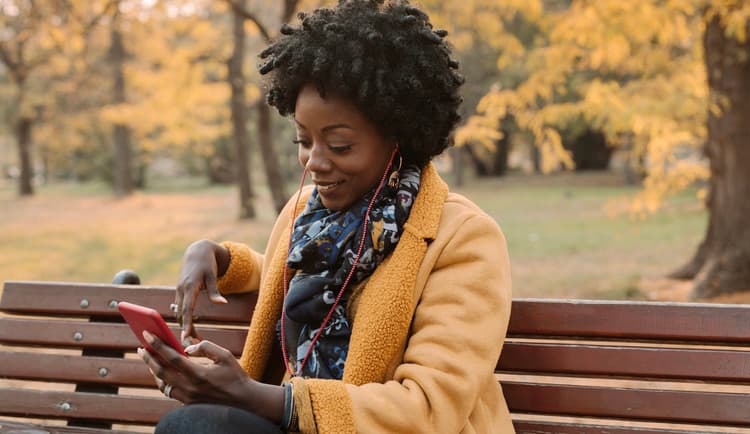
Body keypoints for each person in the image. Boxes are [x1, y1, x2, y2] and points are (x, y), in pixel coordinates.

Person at [137, 0, 513, 432]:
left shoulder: (462, 238)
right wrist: (219, 258)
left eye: (339, 145)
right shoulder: (307, 213)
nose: (313, 162)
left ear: (399, 136)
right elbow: (301, 281)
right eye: (303, 139)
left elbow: (427, 408)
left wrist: (254, 396)